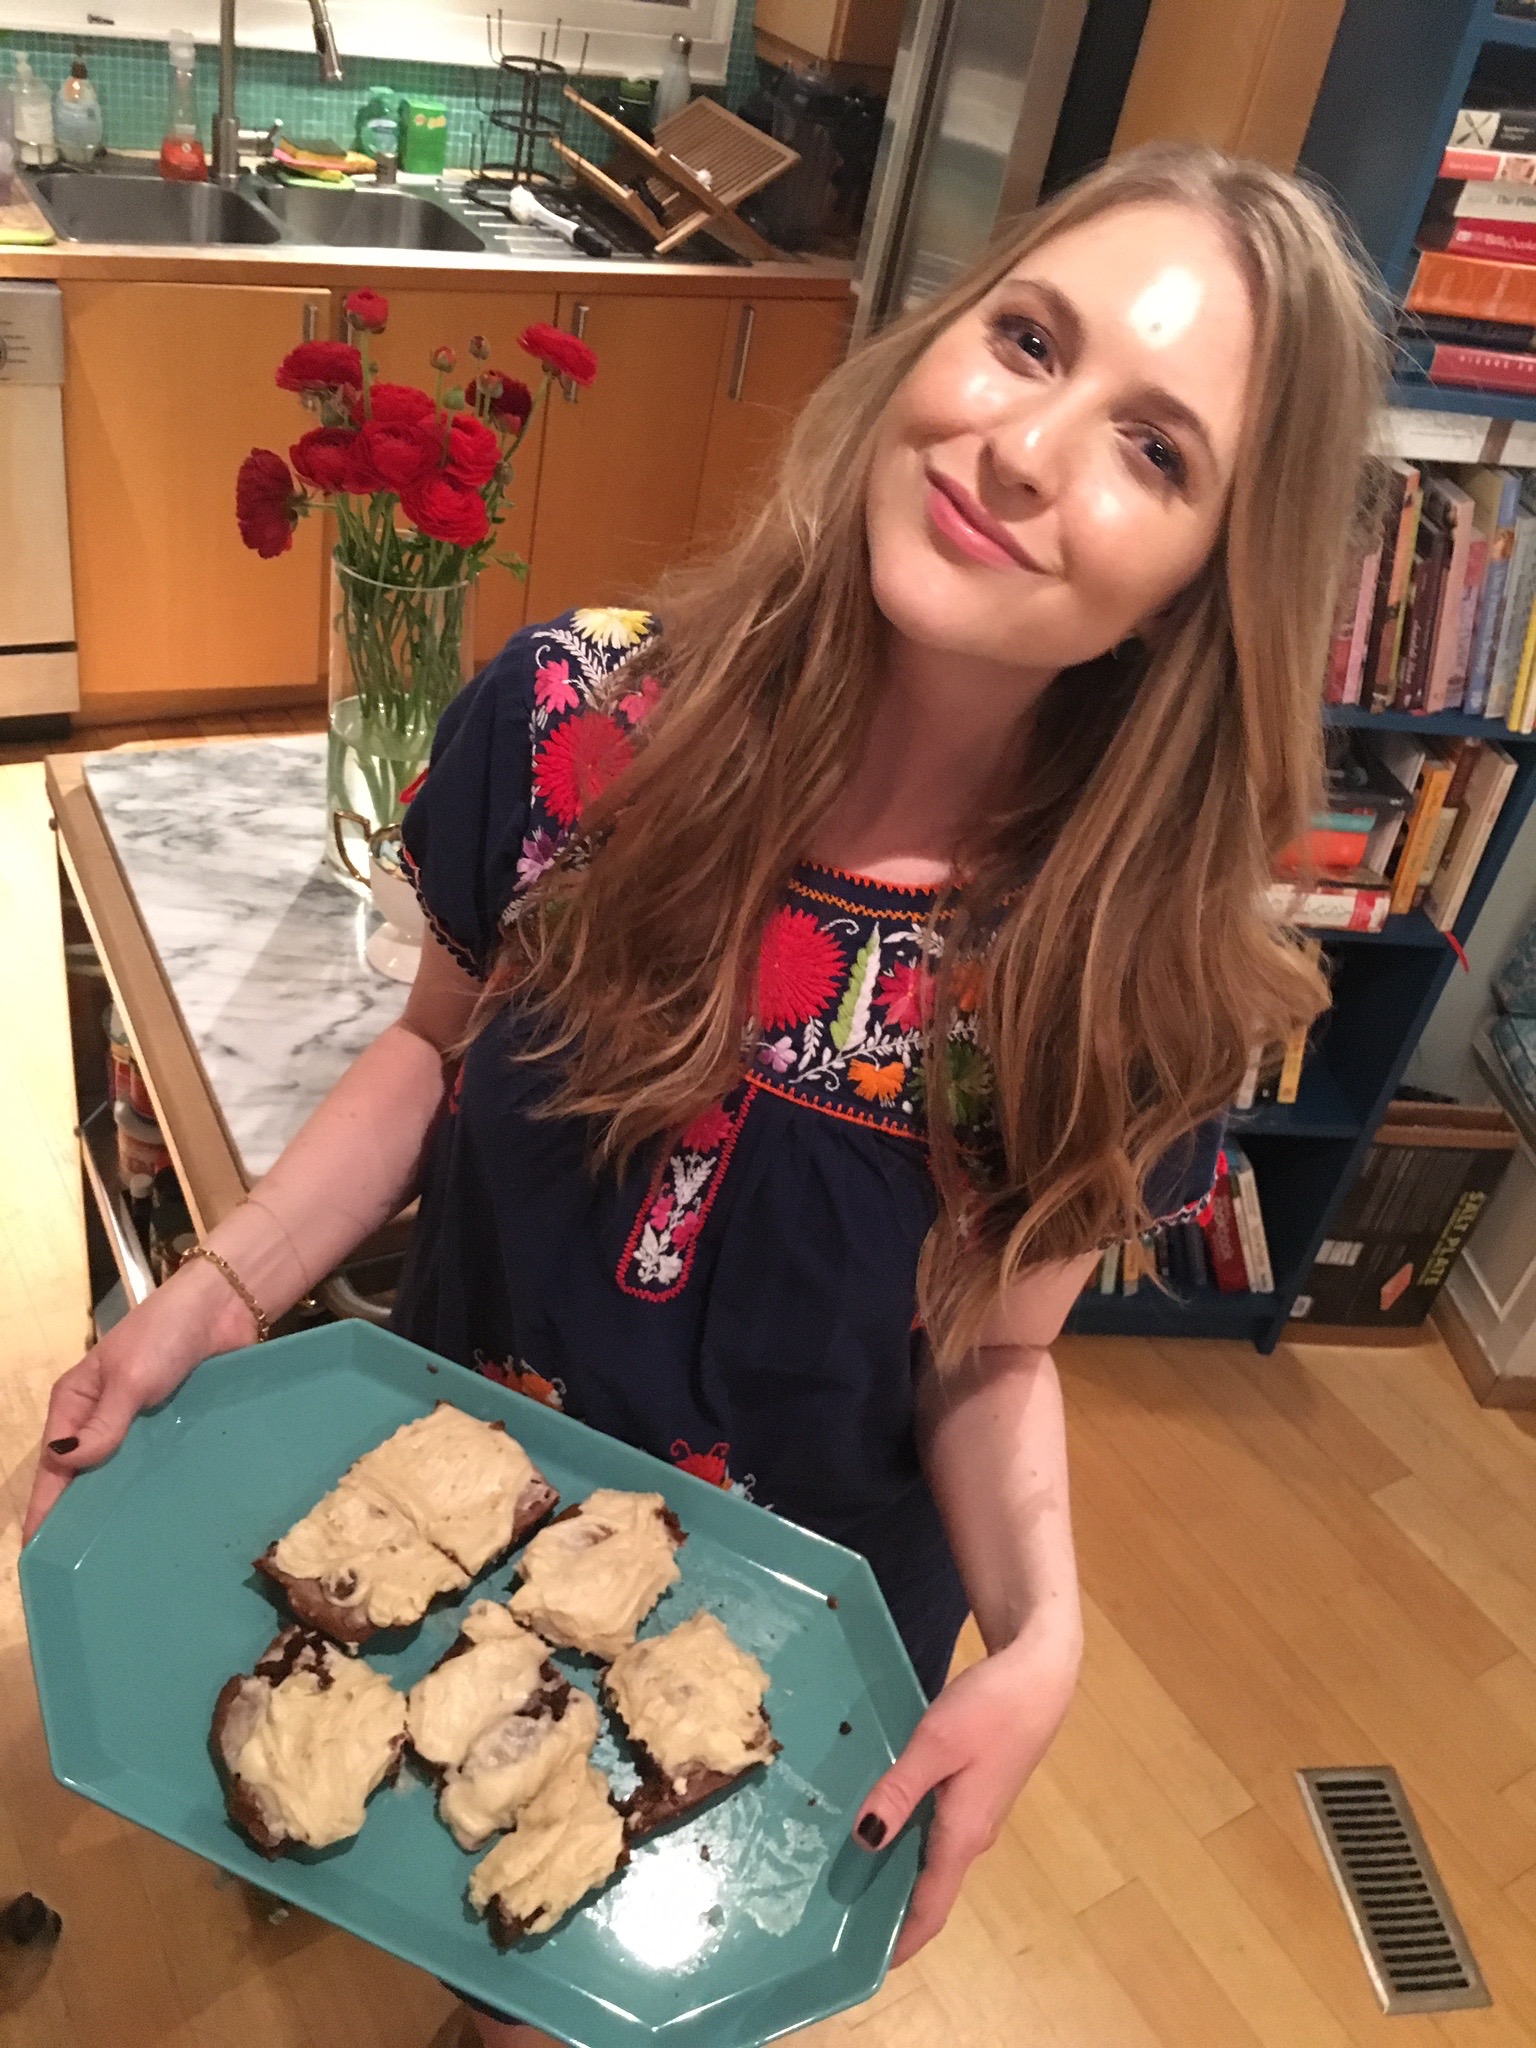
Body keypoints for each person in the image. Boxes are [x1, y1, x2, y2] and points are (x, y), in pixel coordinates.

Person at [26, 142, 1385, 2048]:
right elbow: (428, 1055)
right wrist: (217, 1292)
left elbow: (988, 1360)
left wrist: (1053, 1637)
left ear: (1197, 591)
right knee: (400, 1872)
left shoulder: (1120, 987)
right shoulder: (573, 718)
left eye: (1157, 451)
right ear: (933, 343)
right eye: (1026, 340)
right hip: (447, 1514)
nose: (1022, 450)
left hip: (752, 1665)